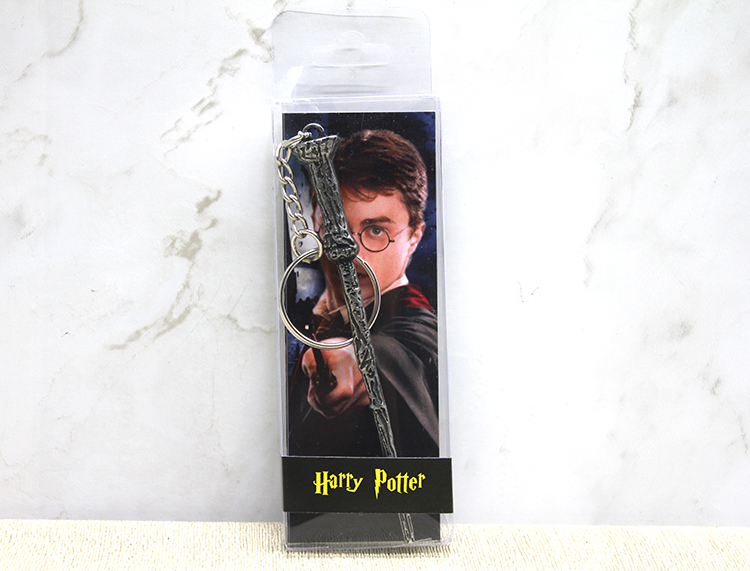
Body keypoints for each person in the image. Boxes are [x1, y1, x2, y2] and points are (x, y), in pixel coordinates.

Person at [287, 129, 439, 458]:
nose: (351, 253)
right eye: (336, 228)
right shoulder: (310, 316)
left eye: (376, 230)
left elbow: (405, 351)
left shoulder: (419, 328)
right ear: (315, 223)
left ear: (414, 237)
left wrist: (350, 360)